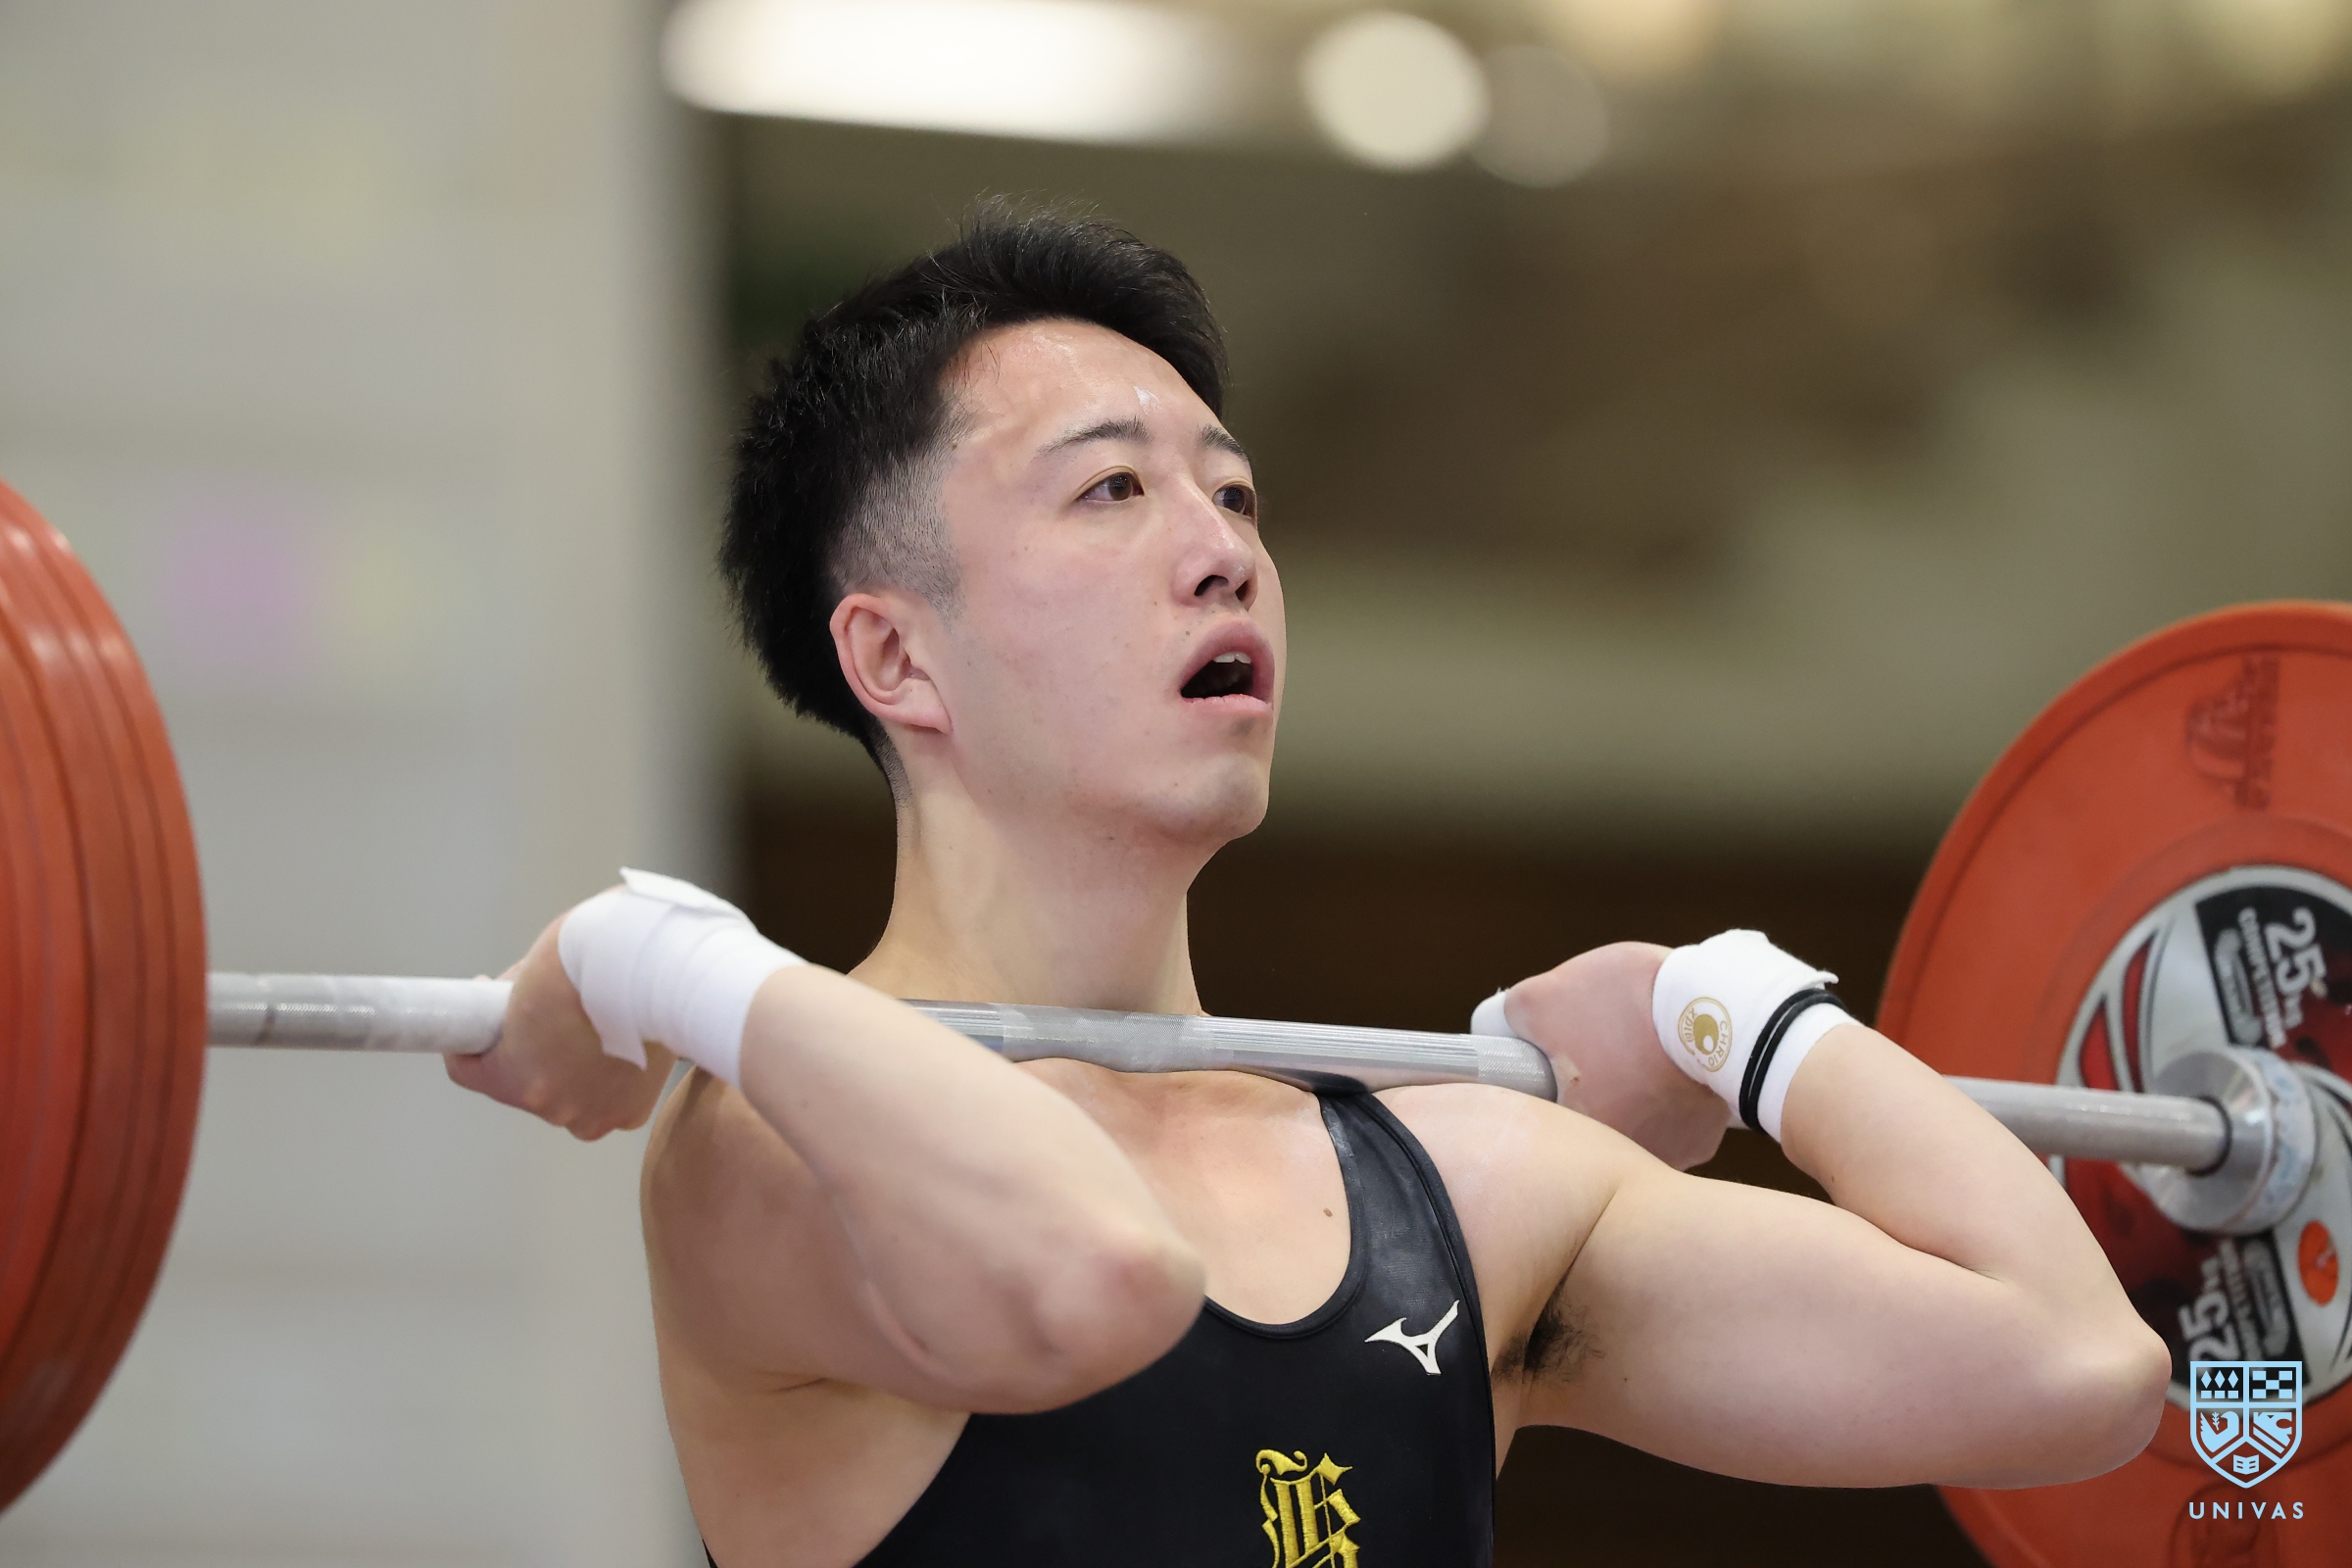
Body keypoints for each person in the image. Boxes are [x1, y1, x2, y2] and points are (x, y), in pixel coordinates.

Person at [448, 206, 2169, 1567]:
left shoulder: (1461, 1187)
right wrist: (655, 957)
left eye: (1234, 492)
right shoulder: (766, 1146)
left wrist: (1718, 1006)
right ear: (896, 657)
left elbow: (2072, 1366)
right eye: (1112, 489)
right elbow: (1100, 1272)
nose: (1223, 551)